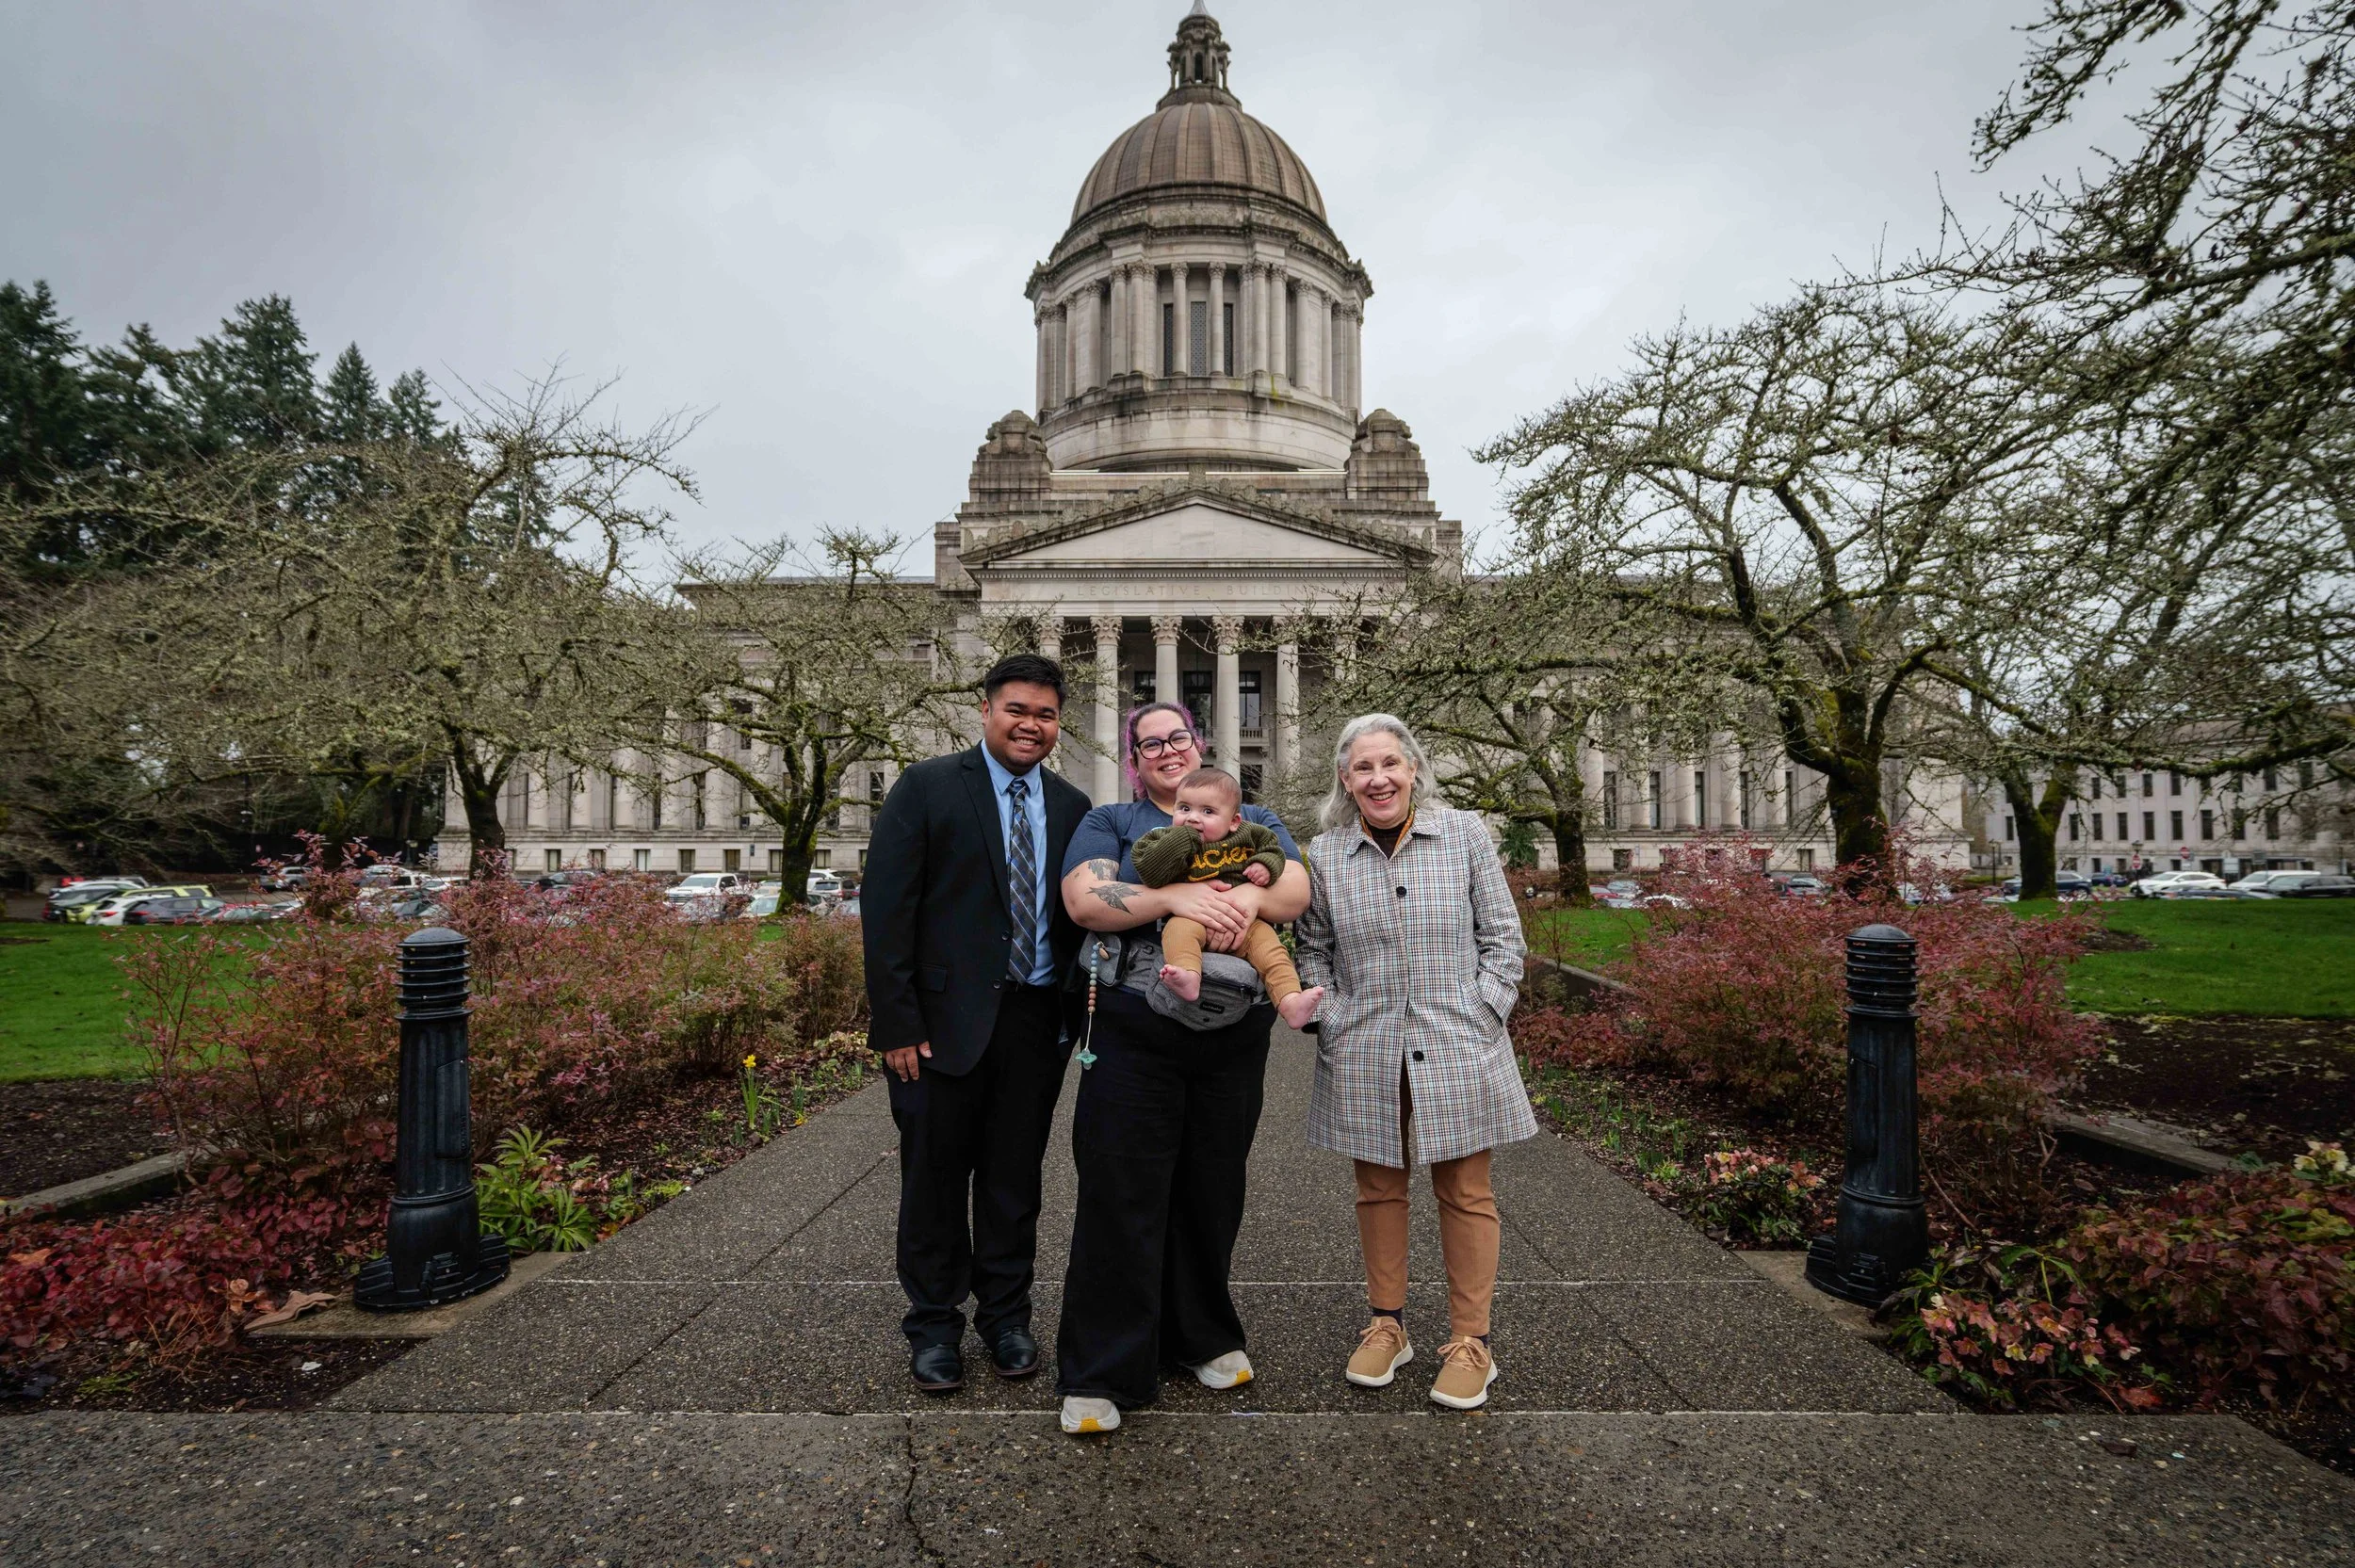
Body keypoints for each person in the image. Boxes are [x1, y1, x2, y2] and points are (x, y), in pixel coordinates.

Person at [1053, 701, 1311, 1435]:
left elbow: (1297, 889)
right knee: (1122, 1189)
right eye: (1149, 742)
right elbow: (1084, 898)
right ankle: (1103, 1369)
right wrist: (1174, 896)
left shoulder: (1249, 814)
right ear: (1135, 759)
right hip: (1135, 1034)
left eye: (1178, 737)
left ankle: (1200, 1333)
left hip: (1233, 1038)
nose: (1165, 749)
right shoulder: (1115, 822)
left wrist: (1246, 896)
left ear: (1199, 744)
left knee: (1212, 1188)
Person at [861, 654, 1093, 1394]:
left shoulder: (1070, 805)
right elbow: (886, 910)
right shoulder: (928, 788)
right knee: (933, 1181)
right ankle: (933, 1327)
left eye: (1047, 714)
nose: (1032, 724)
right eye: (1018, 709)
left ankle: (1006, 1317)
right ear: (987, 710)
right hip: (936, 1029)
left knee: (1012, 1182)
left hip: (1034, 1024)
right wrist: (895, 1023)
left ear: (1059, 724)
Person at [1291, 712, 1535, 1412]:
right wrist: (1334, 1014)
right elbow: (1313, 946)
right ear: (1345, 778)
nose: (1378, 778)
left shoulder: (1462, 834)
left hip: (1457, 1042)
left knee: (1465, 1190)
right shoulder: (1328, 853)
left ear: (1413, 769)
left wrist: (1484, 1012)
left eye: (1389, 764)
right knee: (1378, 1188)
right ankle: (1387, 1324)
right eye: (1363, 767)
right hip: (1366, 1042)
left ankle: (1470, 1341)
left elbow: (1504, 938)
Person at [1131, 766, 1324, 1029]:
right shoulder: (1160, 838)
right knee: (1176, 933)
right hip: (1191, 918)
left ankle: (1290, 1000)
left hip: (1244, 924)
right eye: (1184, 808)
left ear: (1234, 821)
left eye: (1208, 811)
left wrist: (1265, 866)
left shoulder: (1249, 834)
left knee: (1272, 951)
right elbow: (1149, 871)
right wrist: (1180, 839)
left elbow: (1273, 849)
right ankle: (1188, 976)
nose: (1193, 818)